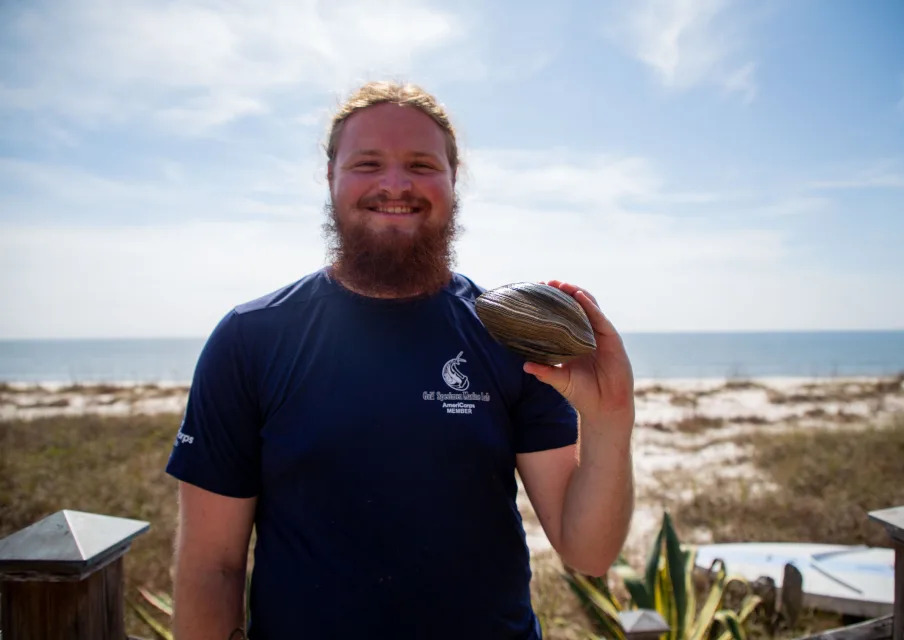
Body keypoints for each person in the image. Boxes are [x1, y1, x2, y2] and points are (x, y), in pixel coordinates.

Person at [166, 81, 636, 640]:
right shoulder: (250, 339)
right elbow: (210, 567)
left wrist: (609, 418)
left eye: (421, 164)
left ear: (453, 180)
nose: (395, 184)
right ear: (331, 179)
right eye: (367, 163)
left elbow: (588, 553)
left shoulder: (508, 335)